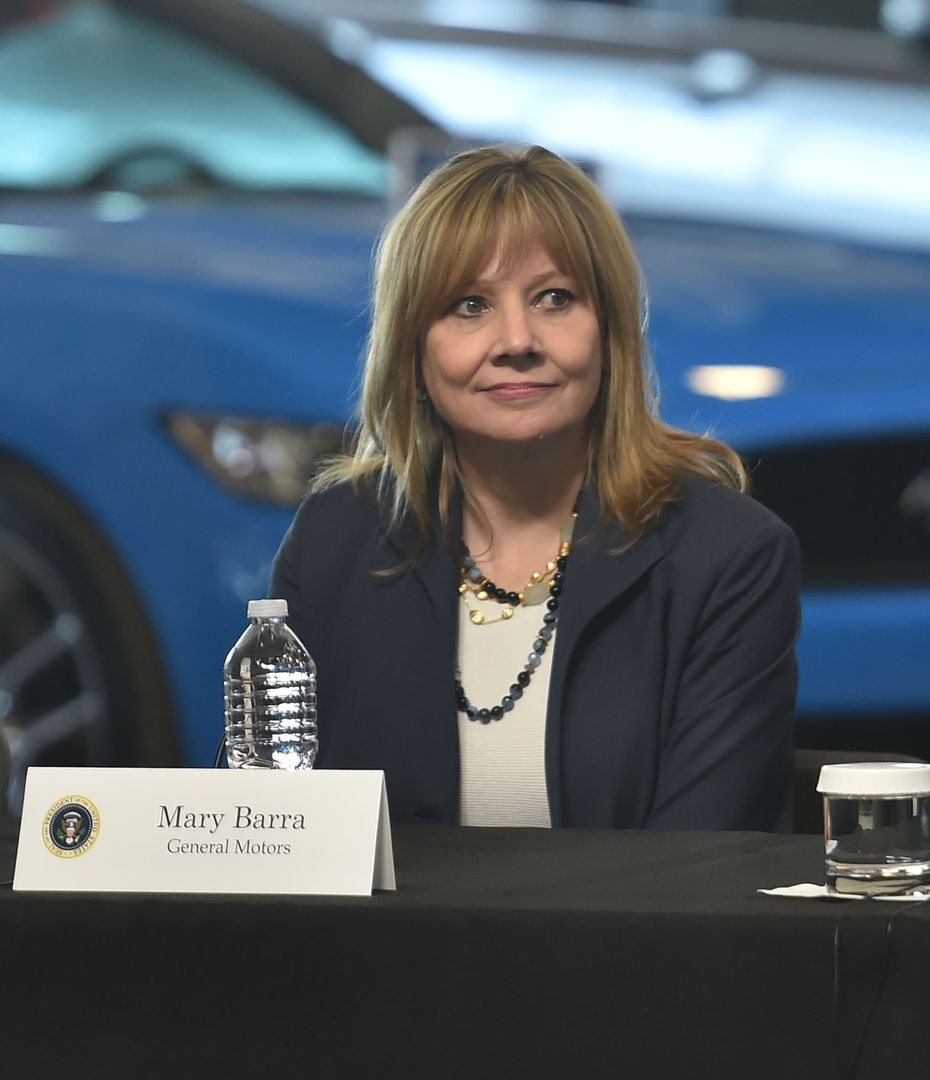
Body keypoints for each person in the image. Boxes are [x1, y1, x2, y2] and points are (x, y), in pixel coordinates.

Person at [273, 146, 799, 830]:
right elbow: (264, 837)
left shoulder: (728, 556)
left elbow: (700, 874)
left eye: (555, 299)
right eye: (468, 305)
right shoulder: (334, 540)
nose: (517, 340)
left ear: (610, 334)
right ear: (411, 350)